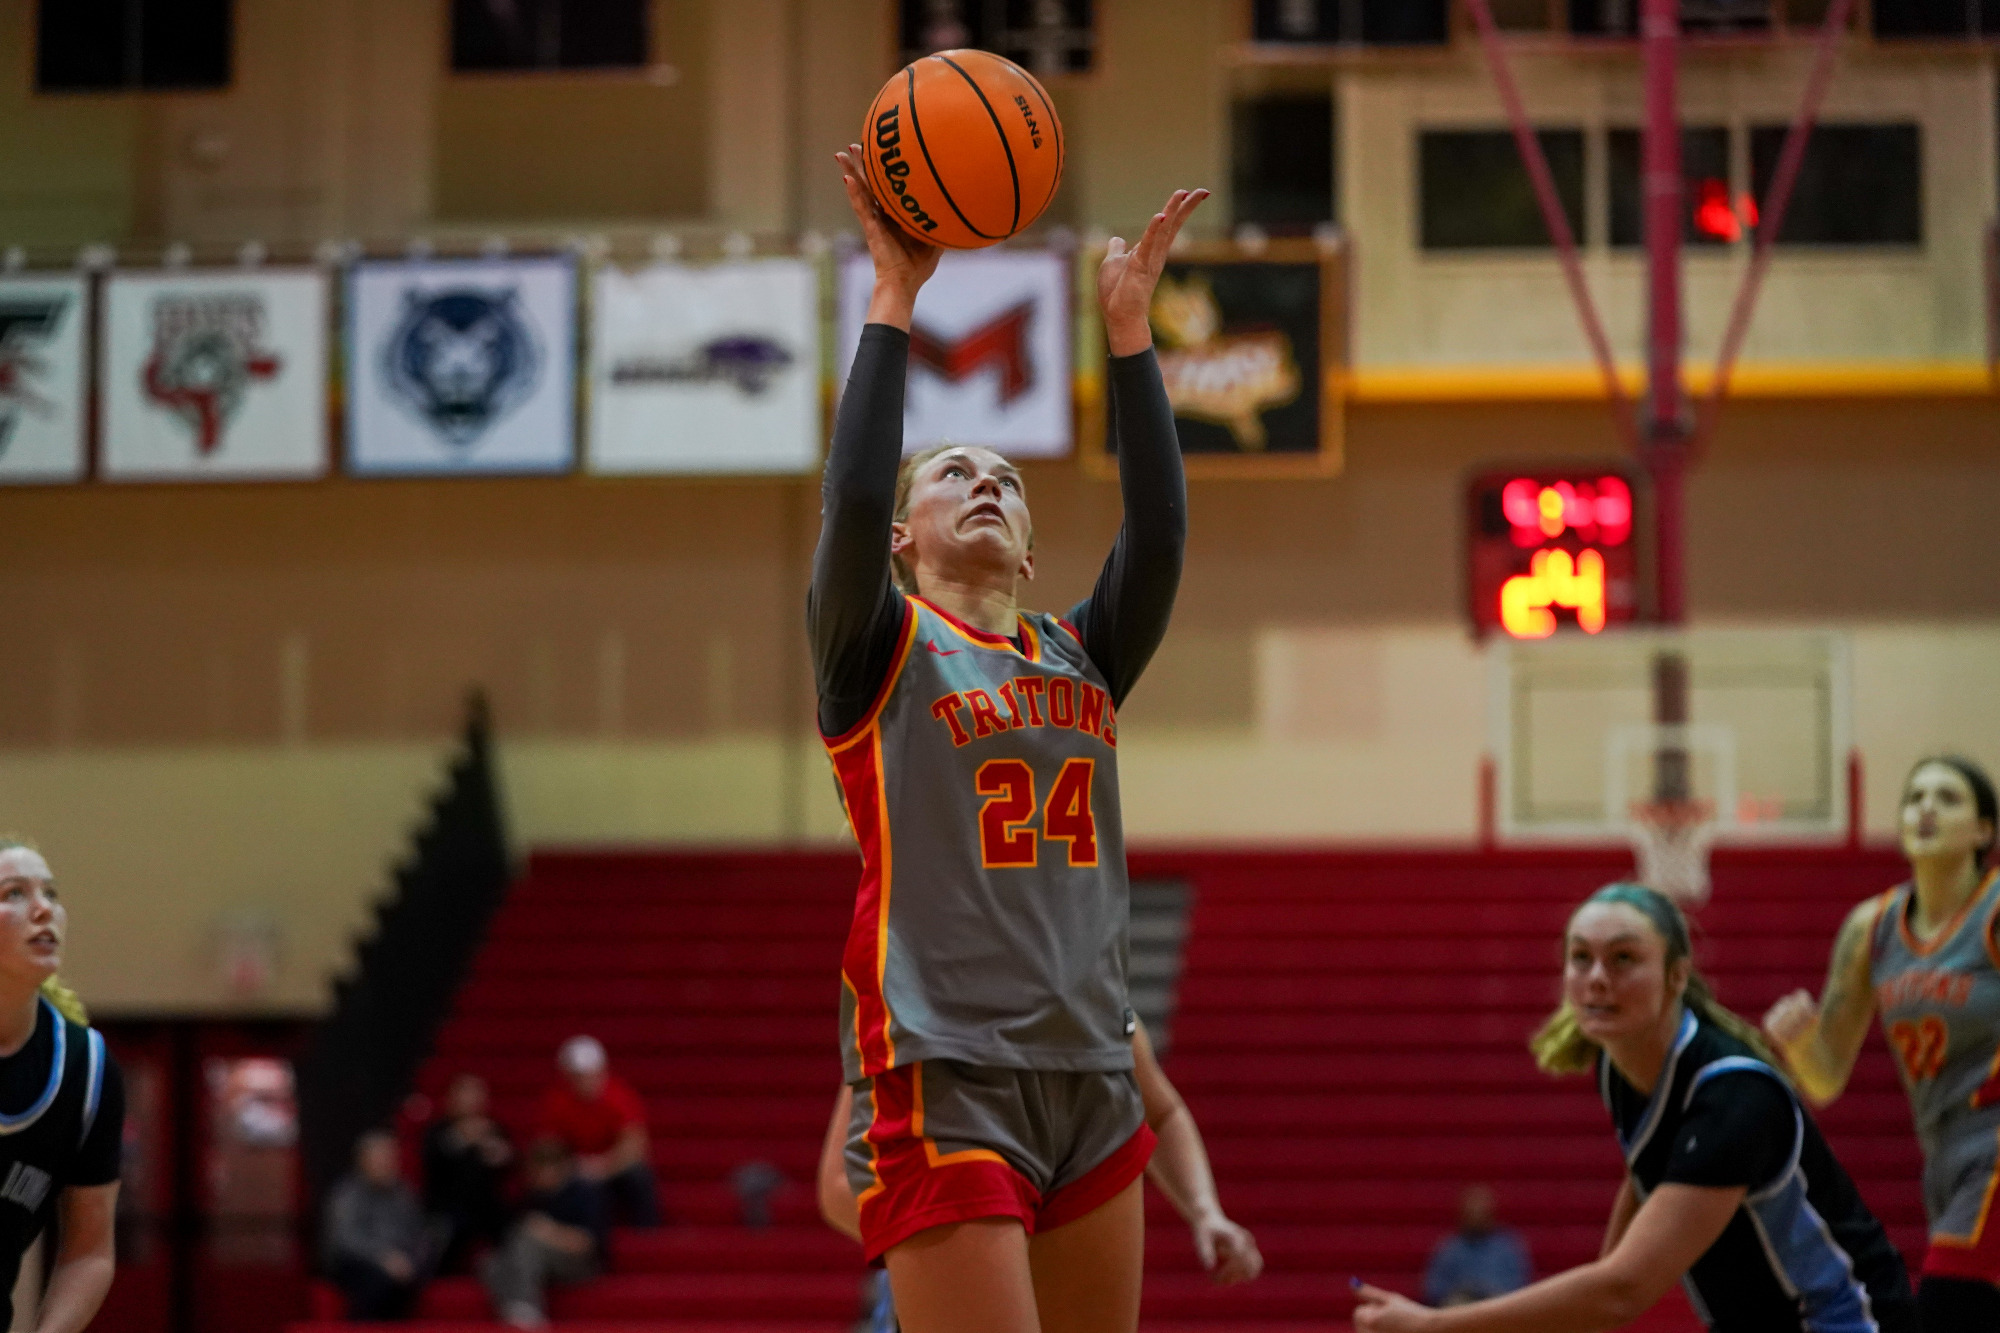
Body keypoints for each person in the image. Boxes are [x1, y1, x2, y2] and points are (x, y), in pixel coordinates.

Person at [813, 140, 1206, 1333]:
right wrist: (894, 300)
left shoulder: (1081, 653)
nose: (983, 481)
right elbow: (843, 497)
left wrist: (1129, 342)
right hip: (944, 1065)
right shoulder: (874, 647)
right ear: (900, 535)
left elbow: (1162, 533)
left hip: (1090, 1069)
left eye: (1004, 480)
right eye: (950, 476)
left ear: (1032, 553)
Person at [1353, 883, 1917, 1333]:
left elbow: (1624, 1293)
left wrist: (1435, 1325)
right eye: (1581, 959)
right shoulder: (1619, 1061)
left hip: (1846, 1320)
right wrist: (1594, 1293)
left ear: (1677, 976)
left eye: (1623, 959)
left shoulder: (1732, 1099)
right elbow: (1648, 1169)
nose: (1597, 978)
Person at [1763, 754, 2000, 1330]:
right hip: (1942, 1162)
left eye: (1947, 798)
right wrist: (1798, 1045)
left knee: (1948, 1307)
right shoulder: (1869, 928)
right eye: (1914, 797)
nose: (1925, 808)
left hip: (1993, 1156)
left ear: (1983, 831)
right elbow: (1826, 1079)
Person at [814, 1022, 1264, 1285]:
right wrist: (973, 1235)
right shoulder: (913, 1006)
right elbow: (838, 1187)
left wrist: (1206, 1212)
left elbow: (1163, 1114)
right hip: (956, 1284)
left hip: (1061, 1277)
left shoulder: (1096, 999)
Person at [0, 841, 123, 1333]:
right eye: (14, 893)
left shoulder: (85, 1069)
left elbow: (89, 1252)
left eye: (51, 892)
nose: (44, 907)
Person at [480, 1138, 608, 1331]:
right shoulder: (534, 1195)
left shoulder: (584, 1193)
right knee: (491, 1263)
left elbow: (586, 1243)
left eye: (541, 1170)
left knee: (527, 1242)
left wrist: (548, 1232)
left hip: (580, 1263)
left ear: (560, 1168)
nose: (535, 1176)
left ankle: (528, 1310)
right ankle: (515, 1307)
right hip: (540, 1262)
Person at [535, 1035, 659, 1227]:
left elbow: (634, 1145)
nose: (585, 1081)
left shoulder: (620, 1096)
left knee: (638, 1174)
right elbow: (548, 1146)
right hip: (575, 1167)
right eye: (578, 1075)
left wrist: (602, 1166)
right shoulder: (557, 1102)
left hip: (613, 1166)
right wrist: (573, 1165)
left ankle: (647, 1230)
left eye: (590, 1074)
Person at [323, 1129, 428, 1321]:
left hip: (401, 1261)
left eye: (391, 1157)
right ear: (363, 1160)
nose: (387, 1163)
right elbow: (345, 1239)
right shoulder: (347, 1194)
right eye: (380, 1157)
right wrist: (383, 1258)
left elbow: (418, 1234)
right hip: (359, 1261)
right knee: (377, 1282)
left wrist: (411, 1260)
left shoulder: (404, 1193)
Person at [423, 1072, 514, 1272]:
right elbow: (434, 1163)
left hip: (485, 1204)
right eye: (466, 1094)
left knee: (513, 1224)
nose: (472, 1101)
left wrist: (500, 1155)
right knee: (444, 1229)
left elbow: (509, 1163)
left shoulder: (493, 1128)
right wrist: (462, 1140)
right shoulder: (438, 1130)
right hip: (448, 1205)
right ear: (452, 1098)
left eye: (477, 1095)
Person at [1422, 1186, 1529, 1307]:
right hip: (1460, 1311)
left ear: (1491, 1213)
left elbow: (1520, 1286)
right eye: (1472, 1212)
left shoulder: (1507, 1247)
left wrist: (1489, 1292)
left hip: (1498, 1308)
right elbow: (1433, 1289)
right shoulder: (1449, 1248)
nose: (1477, 1216)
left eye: (1482, 1211)